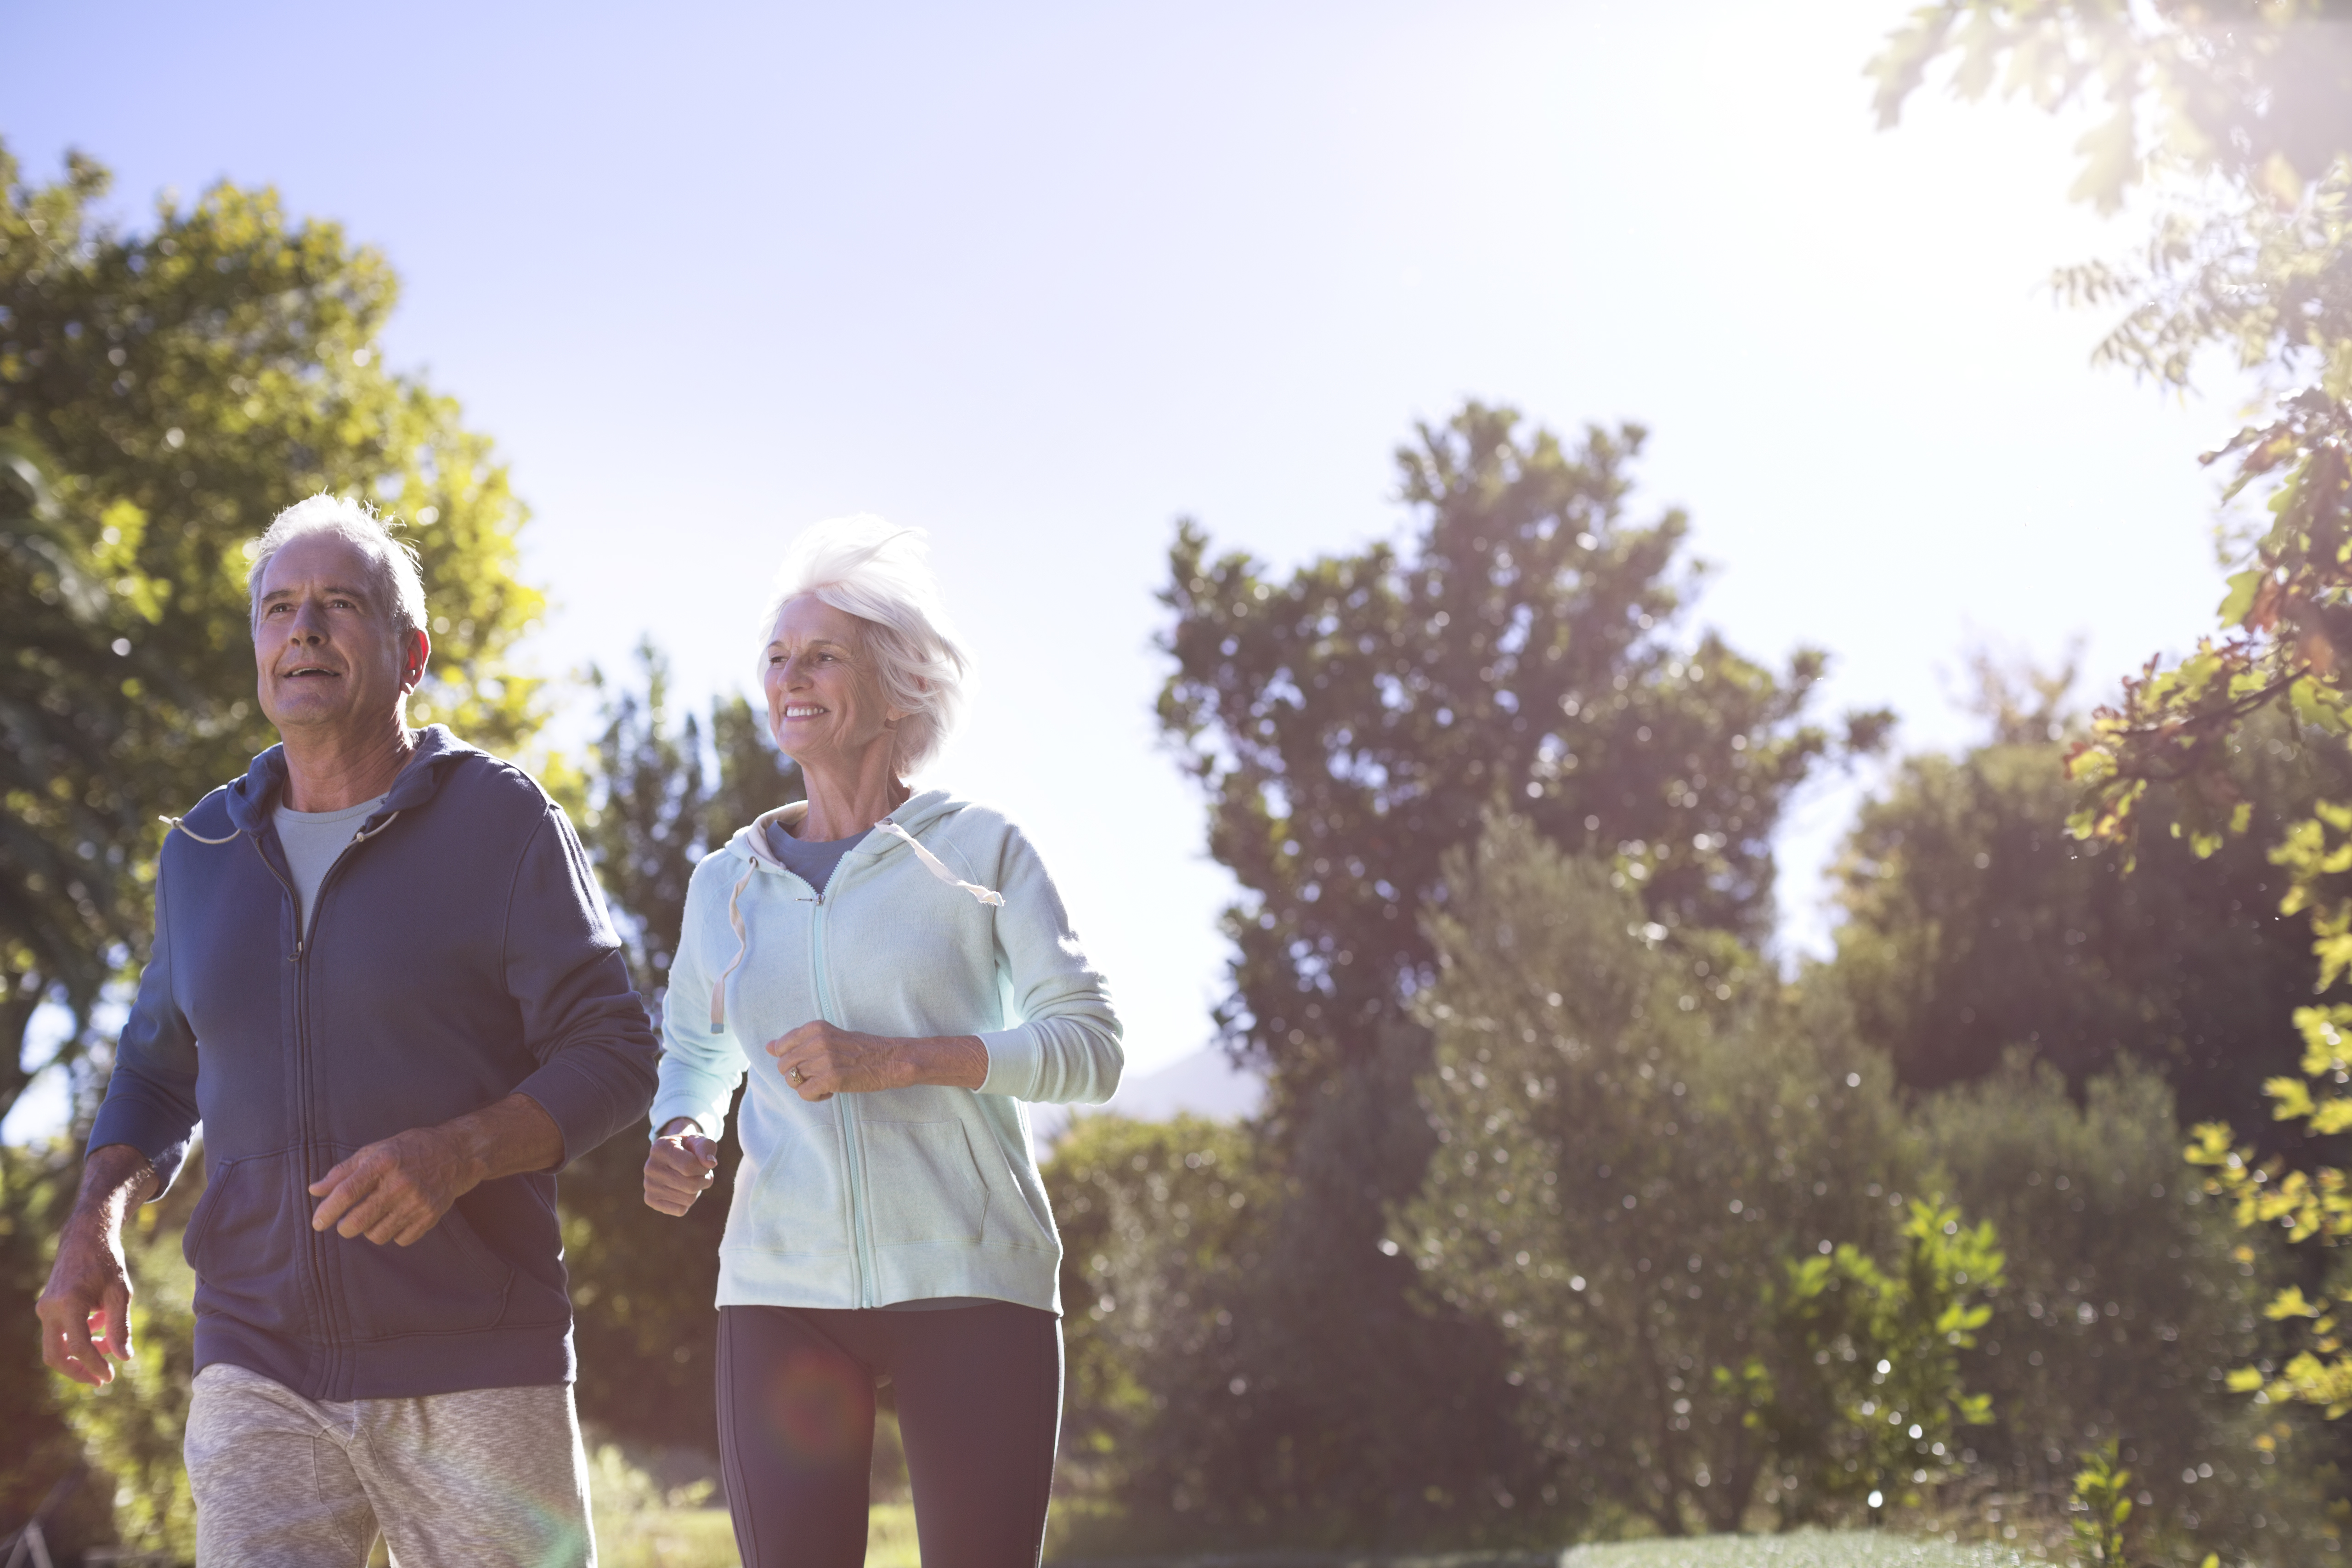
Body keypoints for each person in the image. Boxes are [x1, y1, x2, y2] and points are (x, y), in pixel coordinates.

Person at [34, 495, 661, 1567]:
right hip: (255, 1360)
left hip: (474, 1356)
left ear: (409, 651)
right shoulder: (202, 847)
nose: (304, 630)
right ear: (258, 652)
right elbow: (154, 1075)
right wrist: (94, 1227)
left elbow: (615, 1050)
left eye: (338, 605)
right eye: (279, 609)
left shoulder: (501, 823)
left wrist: (459, 1153)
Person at [642, 516, 1122, 1568]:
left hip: (973, 1282)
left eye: (823, 655)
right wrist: (683, 1126)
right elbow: (695, 1048)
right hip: (781, 1293)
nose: (790, 678)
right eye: (777, 657)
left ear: (898, 687)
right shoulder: (727, 883)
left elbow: (1090, 1045)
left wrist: (901, 1060)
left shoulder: (981, 851)